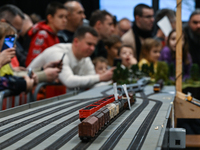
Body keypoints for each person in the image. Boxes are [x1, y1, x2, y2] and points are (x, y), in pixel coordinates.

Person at [28, 26, 115, 88]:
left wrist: (115, 83)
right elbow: (69, 81)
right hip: (27, 98)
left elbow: (92, 82)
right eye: (89, 44)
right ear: (76, 41)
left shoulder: (85, 58)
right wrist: (101, 77)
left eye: (94, 45)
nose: (92, 48)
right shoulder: (58, 53)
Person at [25, 1, 68, 66]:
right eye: (61, 17)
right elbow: (33, 62)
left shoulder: (54, 35)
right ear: (50, 18)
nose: (65, 20)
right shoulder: (42, 35)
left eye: (66, 17)